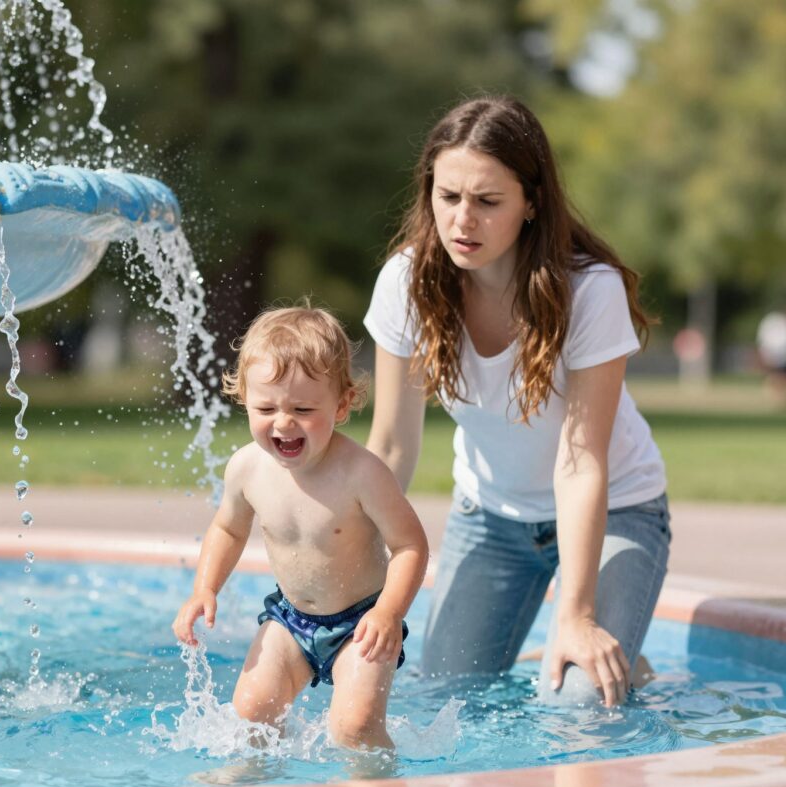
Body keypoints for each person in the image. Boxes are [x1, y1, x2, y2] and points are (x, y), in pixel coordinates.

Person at [364, 96, 670, 708]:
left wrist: (578, 617)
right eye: (447, 197)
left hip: (618, 514)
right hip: (490, 518)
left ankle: (616, 653)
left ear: (532, 203)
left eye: (487, 201)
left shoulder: (589, 290)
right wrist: (357, 578)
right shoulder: (406, 281)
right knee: (444, 698)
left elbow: (581, 461)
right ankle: (591, 645)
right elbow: (392, 444)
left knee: (580, 703)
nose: (461, 221)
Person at [173, 305, 429, 751]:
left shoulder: (362, 474)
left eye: (303, 408)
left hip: (361, 623)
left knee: (354, 727)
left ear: (343, 404)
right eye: (266, 407)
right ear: (244, 400)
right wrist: (204, 588)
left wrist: (388, 612)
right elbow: (228, 529)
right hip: (290, 620)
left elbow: (410, 545)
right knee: (251, 718)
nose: (284, 421)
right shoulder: (247, 468)